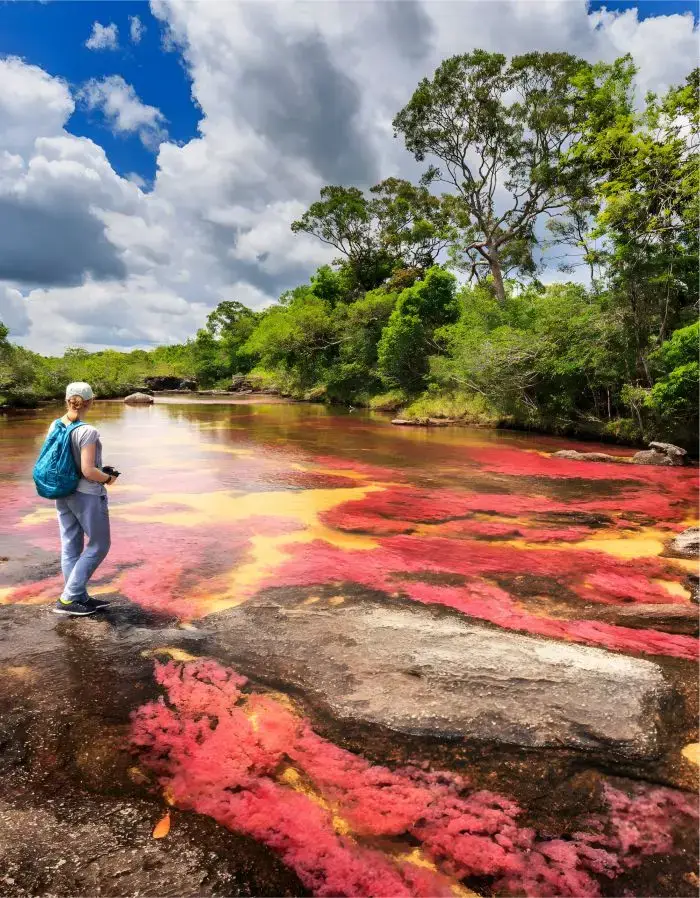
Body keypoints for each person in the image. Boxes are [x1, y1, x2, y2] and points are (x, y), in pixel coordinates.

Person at [51, 382, 117, 616]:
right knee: (99, 544)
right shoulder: (87, 431)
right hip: (86, 494)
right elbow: (89, 471)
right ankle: (69, 598)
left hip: (61, 490)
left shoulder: (56, 425)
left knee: (71, 544)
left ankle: (77, 596)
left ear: (67, 399)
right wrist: (108, 478)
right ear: (90, 401)